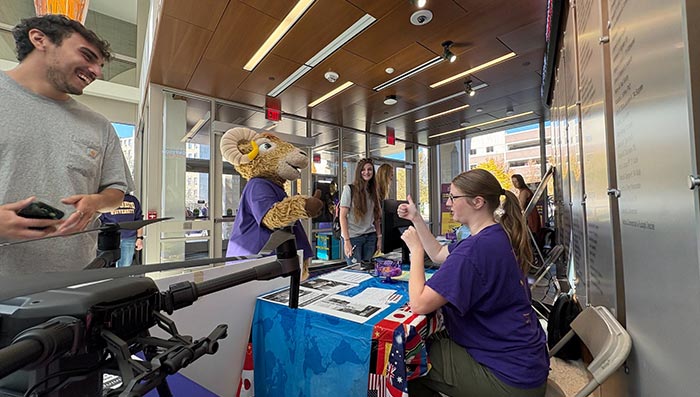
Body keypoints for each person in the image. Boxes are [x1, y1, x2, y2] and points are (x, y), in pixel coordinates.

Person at [398, 169, 548, 397]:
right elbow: (438, 253)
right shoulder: (495, 235)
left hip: (509, 379)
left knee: (405, 358)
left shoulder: (474, 249)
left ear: (477, 202)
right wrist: (416, 218)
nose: (448, 204)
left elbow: (419, 303)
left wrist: (416, 251)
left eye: (453, 197)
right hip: (525, 363)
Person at [0, 15, 131, 275]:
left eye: (100, 64)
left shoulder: (99, 125)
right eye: (87, 56)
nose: (97, 72)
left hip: (73, 284)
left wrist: (95, 202)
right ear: (39, 39)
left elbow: (116, 191)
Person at [339, 158, 381, 265]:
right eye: (363, 169)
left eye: (369, 169)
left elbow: (376, 217)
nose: (366, 172)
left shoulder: (373, 191)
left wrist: (379, 237)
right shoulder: (349, 189)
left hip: (370, 237)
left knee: (369, 272)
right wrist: (347, 241)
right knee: (355, 271)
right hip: (353, 238)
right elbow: (342, 216)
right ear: (359, 172)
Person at [99, 193, 143, 267]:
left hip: (128, 238)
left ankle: (122, 279)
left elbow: (139, 220)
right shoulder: (106, 200)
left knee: (125, 267)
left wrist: (139, 238)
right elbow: (99, 221)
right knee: (107, 267)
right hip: (109, 239)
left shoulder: (133, 200)